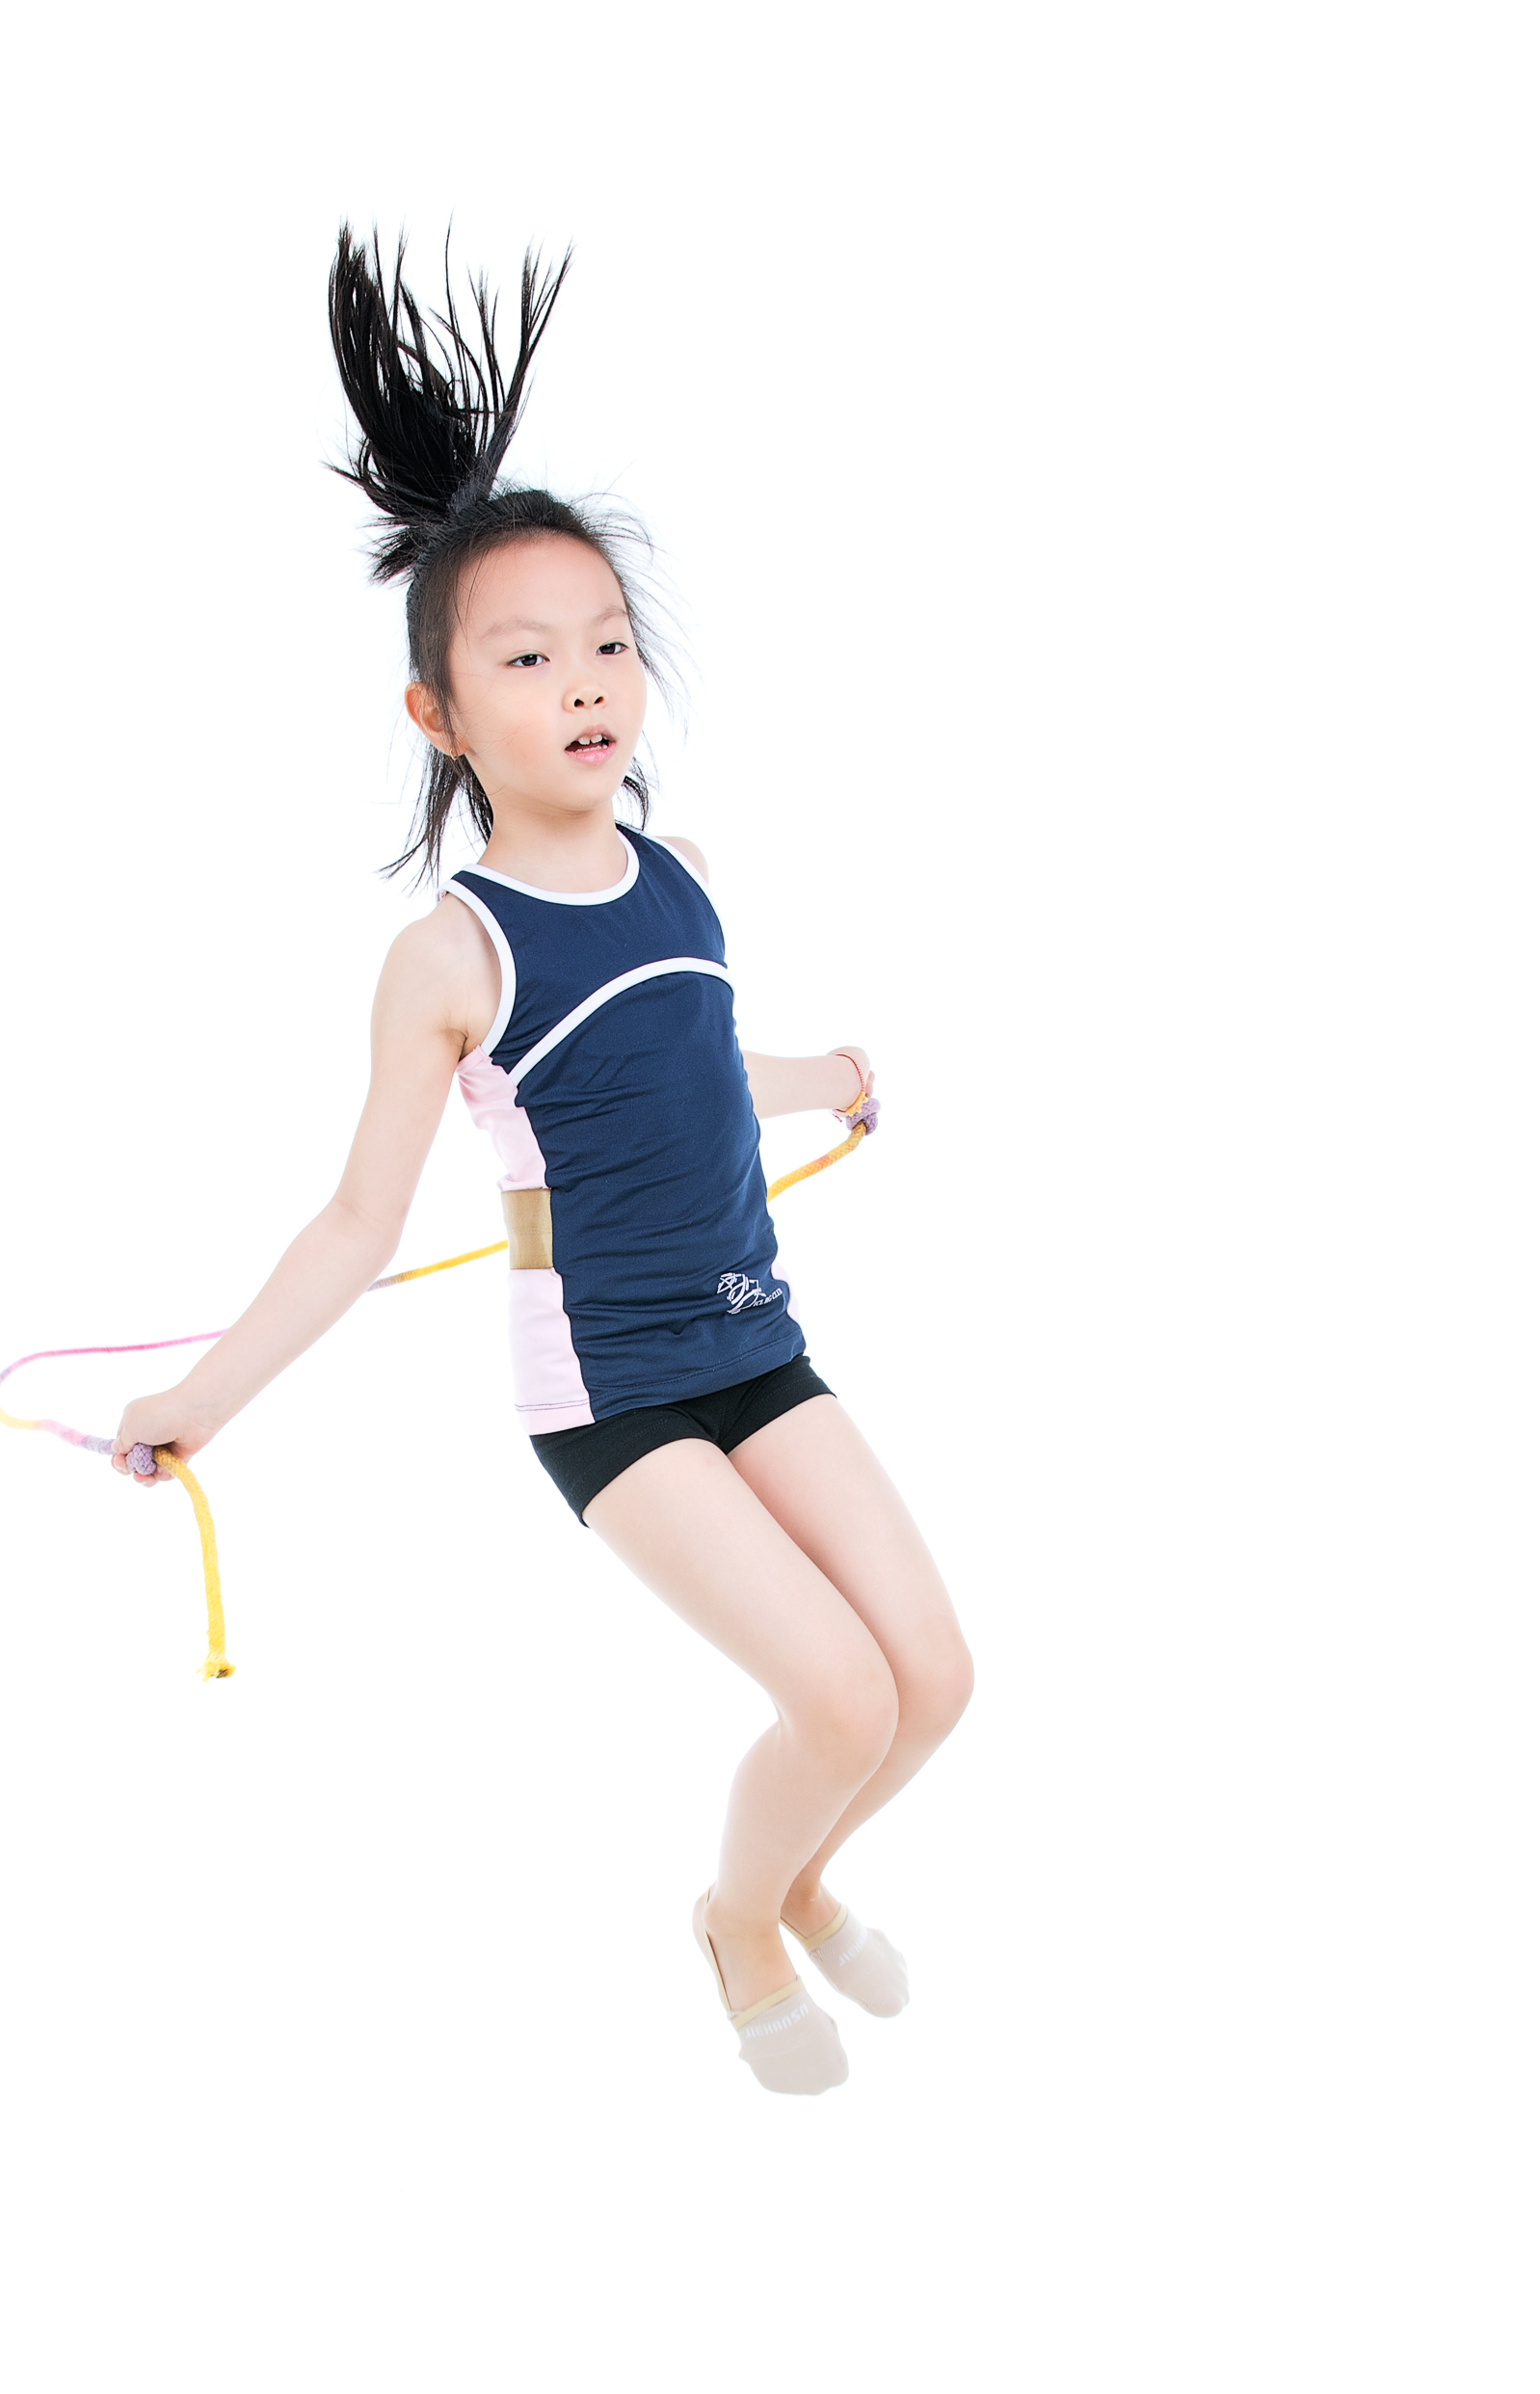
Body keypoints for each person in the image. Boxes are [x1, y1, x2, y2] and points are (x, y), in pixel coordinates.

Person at [114, 227, 973, 2094]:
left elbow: (697, 1066)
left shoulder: (679, 880)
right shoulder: (453, 955)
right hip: (612, 1388)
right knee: (836, 1694)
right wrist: (200, 1401)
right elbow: (356, 1221)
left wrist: (825, 1077)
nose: (584, 681)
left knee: (933, 1679)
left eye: (606, 645)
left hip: (754, 1337)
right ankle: (739, 1920)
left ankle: (798, 1876)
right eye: (525, 657)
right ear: (438, 714)